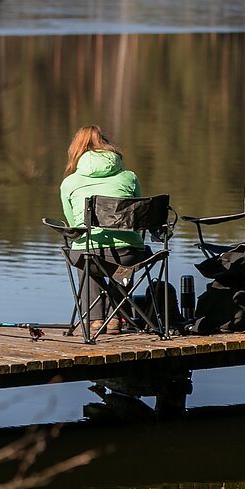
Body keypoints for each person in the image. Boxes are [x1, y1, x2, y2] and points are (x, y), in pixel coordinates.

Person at [59, 125, 169, 336]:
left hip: (89, 254)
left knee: (86, 255)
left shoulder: (70, 182)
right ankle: (116, 318)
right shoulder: (129, 177)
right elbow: (137, 217)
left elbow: (73, 223)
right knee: (122, 263)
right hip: (128, 255)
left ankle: (95, 319)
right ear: (108, 147)